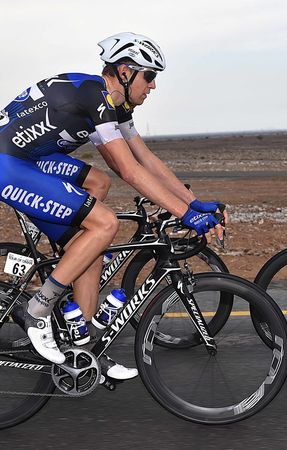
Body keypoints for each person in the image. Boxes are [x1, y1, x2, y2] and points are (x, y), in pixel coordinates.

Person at [0, 32, 225, 380]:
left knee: (96, 209)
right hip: (9, 164)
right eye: (149, 76)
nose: (153, 86)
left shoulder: (115, 107)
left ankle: (83, 348)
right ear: (125, 71)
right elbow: (129, 170)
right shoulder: (96, 96)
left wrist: (192, 202)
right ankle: (38, 307)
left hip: (30, 161)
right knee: (104, 224)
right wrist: (186, 215)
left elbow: (145, 158)